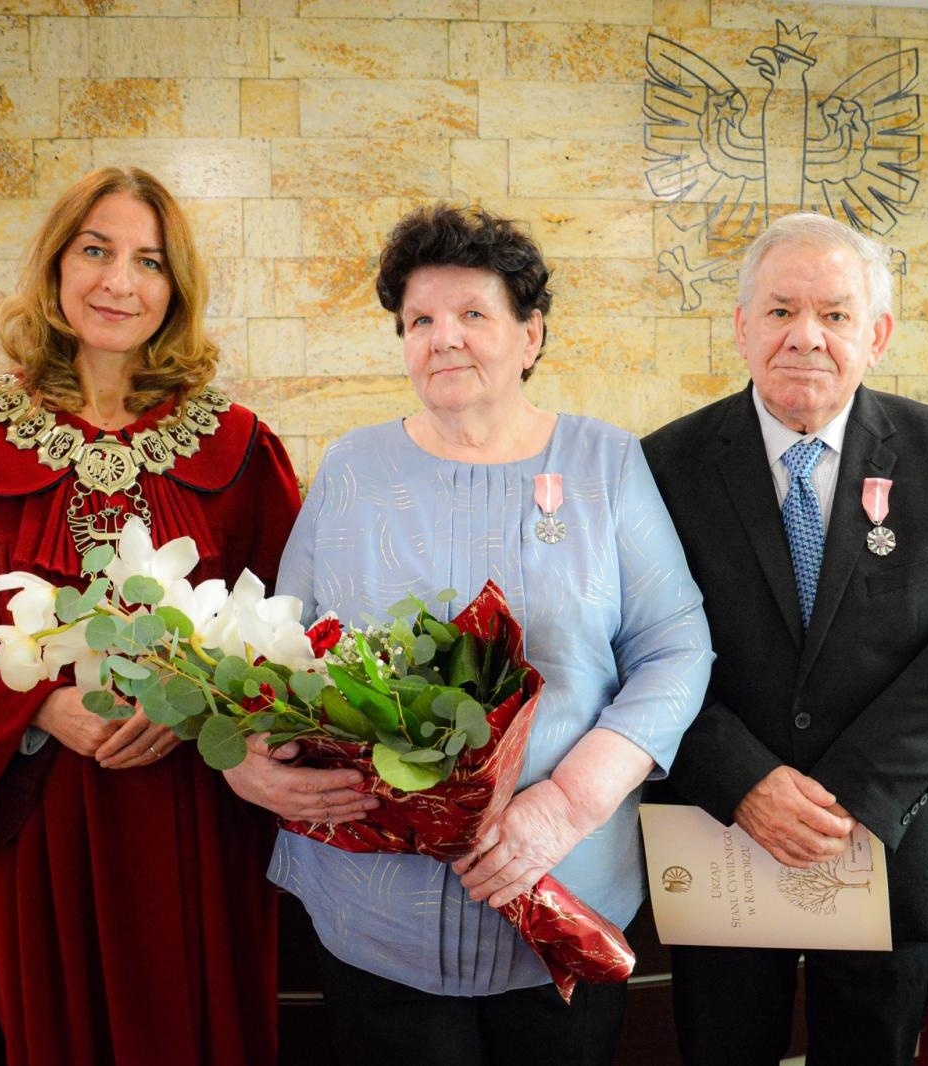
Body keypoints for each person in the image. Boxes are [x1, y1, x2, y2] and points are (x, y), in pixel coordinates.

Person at [221, 203, 713, 1066]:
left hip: (560, 886)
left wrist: (566, 805)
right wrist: (250, 762)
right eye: (419, 320)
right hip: (375, 904)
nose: (443, 337)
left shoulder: (605, 463)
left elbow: (675, 646)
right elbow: (278, 648)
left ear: (531, 336)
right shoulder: (353, 468)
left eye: (473, 314)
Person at [0, 167, 301, 1065]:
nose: (118, 282)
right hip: (38, 811)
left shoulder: (238, 446)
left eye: (148, 261)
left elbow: (288, 623)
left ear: (175, 287)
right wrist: (33, 704)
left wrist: (199, 707)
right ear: (57, 265)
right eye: (95, 251)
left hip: (197, 811)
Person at [642, 212, 928, 1066]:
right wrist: (746, 782)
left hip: (888, 835)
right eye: (779, 311)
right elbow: (637, 647)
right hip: (723, 836)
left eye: (836, 314)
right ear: (741, 327)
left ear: (878, 334)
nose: (805, 337)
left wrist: (851, 791)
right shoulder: (665, 465)